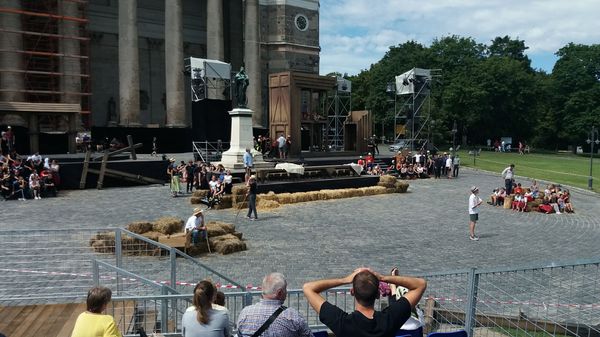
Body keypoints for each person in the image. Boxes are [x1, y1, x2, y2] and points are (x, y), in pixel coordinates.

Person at [302, 267, 426, 337]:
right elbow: (420, 284)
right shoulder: (389, 319)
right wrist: (383, 277)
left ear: (352, 292)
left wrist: (344, 280)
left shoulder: (342, 322)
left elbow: (308, 288)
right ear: (378, 294)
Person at [237, 272, 313, 337]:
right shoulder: (293, 316)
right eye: (285, 289)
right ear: (279, 293)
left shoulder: (245, 313)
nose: (286, 292)